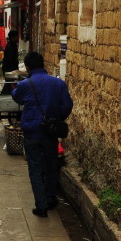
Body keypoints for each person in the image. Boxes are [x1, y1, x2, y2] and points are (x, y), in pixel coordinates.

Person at [12, 52, 73, 217]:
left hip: (31, 132)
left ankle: (41, 206)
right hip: (49, 133)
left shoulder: (25, 84)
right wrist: (56, 119)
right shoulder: (59, 84)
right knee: (52, 165)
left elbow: (17, 98)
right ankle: (50, 198)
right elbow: (67, 105)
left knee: (35, 168)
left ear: (29, 67)